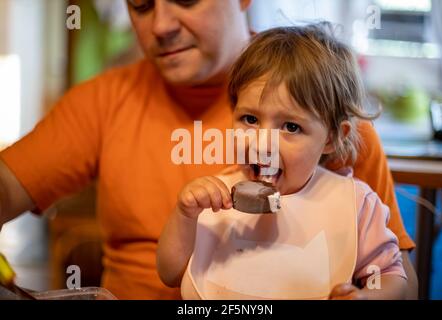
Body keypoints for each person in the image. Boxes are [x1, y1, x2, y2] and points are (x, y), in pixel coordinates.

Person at [0, 0, 416, 299]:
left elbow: (399, 276)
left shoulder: (324, 103)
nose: (161, 24)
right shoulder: (103, 100)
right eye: (141, 5)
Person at [156, 24, 408, 300]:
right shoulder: (214, 197)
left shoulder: (356, 204)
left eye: (290, 127)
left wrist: (367, 296)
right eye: (250, 119)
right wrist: (184, 215)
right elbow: (170, 274)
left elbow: (389, 276)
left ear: (332, 137)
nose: (263, 144)